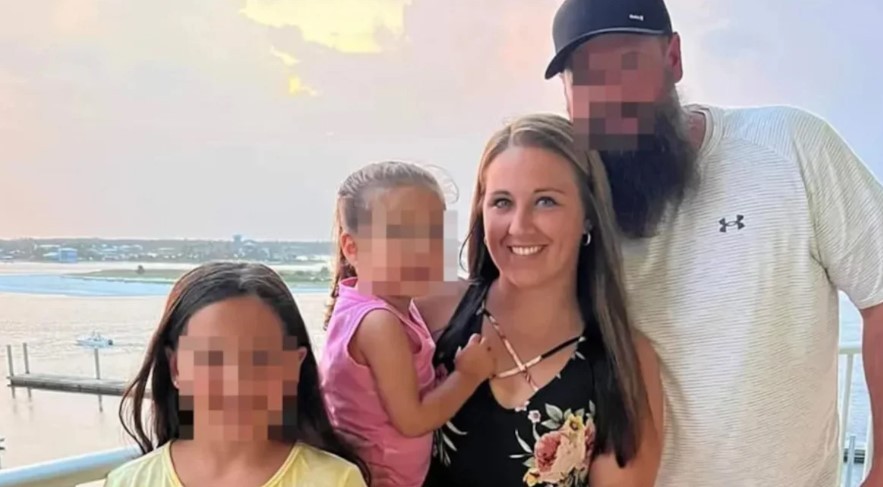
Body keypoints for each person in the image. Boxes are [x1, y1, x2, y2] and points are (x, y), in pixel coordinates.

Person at [544, 0, 883, 485]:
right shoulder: (569, 211)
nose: (609, 93)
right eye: (585, 78)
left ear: (673, 58)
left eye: (627, 63)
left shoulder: (788, 147)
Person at [418, 114, 664, 486]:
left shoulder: (623, 360)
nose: (519, 226)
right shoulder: (429, 314)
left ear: (589, 216)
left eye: (546, 201)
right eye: (502, 202)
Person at [104, 262, 369, 487]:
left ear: (293, 367)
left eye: (259, 359)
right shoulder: (128, 482)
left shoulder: (335, 480)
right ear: (176, 368)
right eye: (212, 358)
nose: (236, 381)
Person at [319, 161, 496, 487]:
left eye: (434, 234)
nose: (421, 251)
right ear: (352, 248)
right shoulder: (379, 323)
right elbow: (412, 421)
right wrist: (468, 375)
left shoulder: (369, 302)